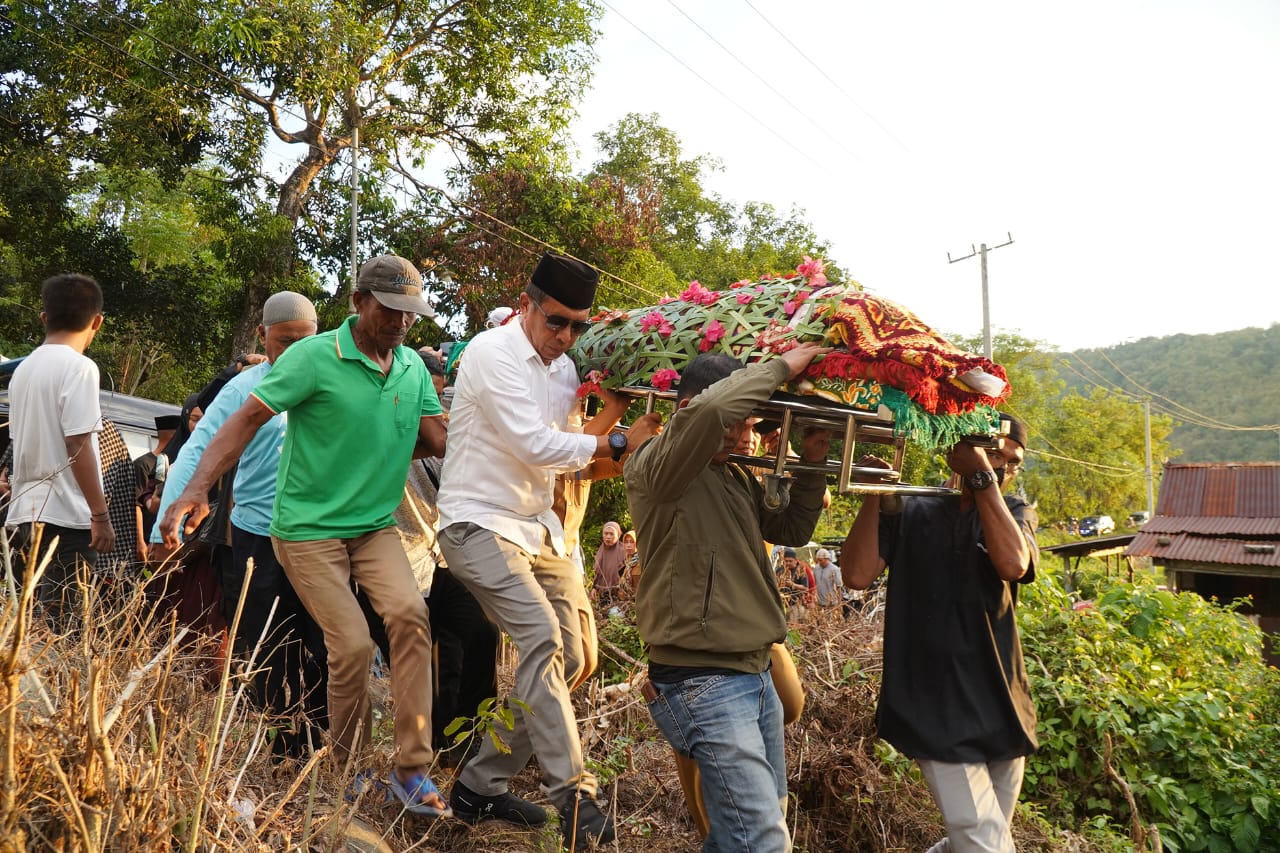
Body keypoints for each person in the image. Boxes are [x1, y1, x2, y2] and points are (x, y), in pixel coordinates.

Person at [160, 254, 450, 816]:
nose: (400, 322)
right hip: (304, 530)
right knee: (352, 643)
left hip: (372, 527)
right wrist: (196, 488)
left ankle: (411, 769)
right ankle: (350, 769)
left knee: (412, 619)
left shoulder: (412, 368)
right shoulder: (314, 357)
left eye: (409, 313)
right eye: (389, 309)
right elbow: (243, 421)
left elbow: (436, 439)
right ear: (359, 302)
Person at [435, 251, 660, 848]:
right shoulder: (491, 352)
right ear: (527, 304)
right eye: (555, 321)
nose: (565, 337)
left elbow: (581, 453)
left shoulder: (566, 370)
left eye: (578, 327)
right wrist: (615, 436)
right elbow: (537, 444)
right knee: (542, 640)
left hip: (540, 531)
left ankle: (479, 787)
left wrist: (622, 417)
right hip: (477, 524)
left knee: (578, 659)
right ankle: (575, 800)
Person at [626, 345, 832, 852]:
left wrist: (811, 462)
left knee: (746, 832)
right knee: (761, 839)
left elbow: (792, 527)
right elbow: (713, 410)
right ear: (687, 411)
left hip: (751, 671)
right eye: (736, 423)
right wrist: (784, 365)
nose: (744, 435)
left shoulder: (734, 473)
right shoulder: (659, 465)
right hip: (704, 681)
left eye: (750, 424)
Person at [839, 414, 1038, 853]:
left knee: (977, 841)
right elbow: (856, 575)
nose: (1001, 465)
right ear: (957, 451)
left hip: (1002, 704)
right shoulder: (913, 508)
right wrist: (875, 492)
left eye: (1011, 460)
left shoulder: (1016, 516)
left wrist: (982, 476)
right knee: (985, 844)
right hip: (933, 707)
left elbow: (1012, 565)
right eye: (991, 451)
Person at [153, 291, 324, 757]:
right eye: (283, 340)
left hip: (317, 537)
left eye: (304, 340)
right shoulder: (243, 388)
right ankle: (267, 746)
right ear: (262, 335)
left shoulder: (328, 379)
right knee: (261, 646)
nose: (293, 350)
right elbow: (198, 450)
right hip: (256, 537)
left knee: (320, 645)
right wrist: (166, 523)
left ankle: (316, 748)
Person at [5, 273, 114, 631]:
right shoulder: (80, 367)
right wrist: (99, 514)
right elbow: (77, 443)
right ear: (97, 321)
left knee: (29, 631)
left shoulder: (23, 370)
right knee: (66, 634)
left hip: (24, 513)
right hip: (67, 519)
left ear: (44, 317)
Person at [591, 521, 627, 605]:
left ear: (618, 535)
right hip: (602, 595)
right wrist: (594, 588)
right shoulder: (601, 551)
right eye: (606, 534)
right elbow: (597, 573)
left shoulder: (623, 552)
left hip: (619, 595)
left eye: (611, 534)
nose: (608, 537)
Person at [811, 548, 843, 614]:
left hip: (831, 603)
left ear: (827, 559)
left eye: (821, 560)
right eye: (818, 560)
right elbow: (814, 584)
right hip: (819, 603)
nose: (819, 562)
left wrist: (839, 604)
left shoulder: (835, 569)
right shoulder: (816, 568)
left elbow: (838, 587)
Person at [621, 529, 642, 596]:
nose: (628, 545)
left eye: (632, 542)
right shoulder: (627, 562)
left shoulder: (642, 560)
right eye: (626, 542)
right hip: (629, 600)